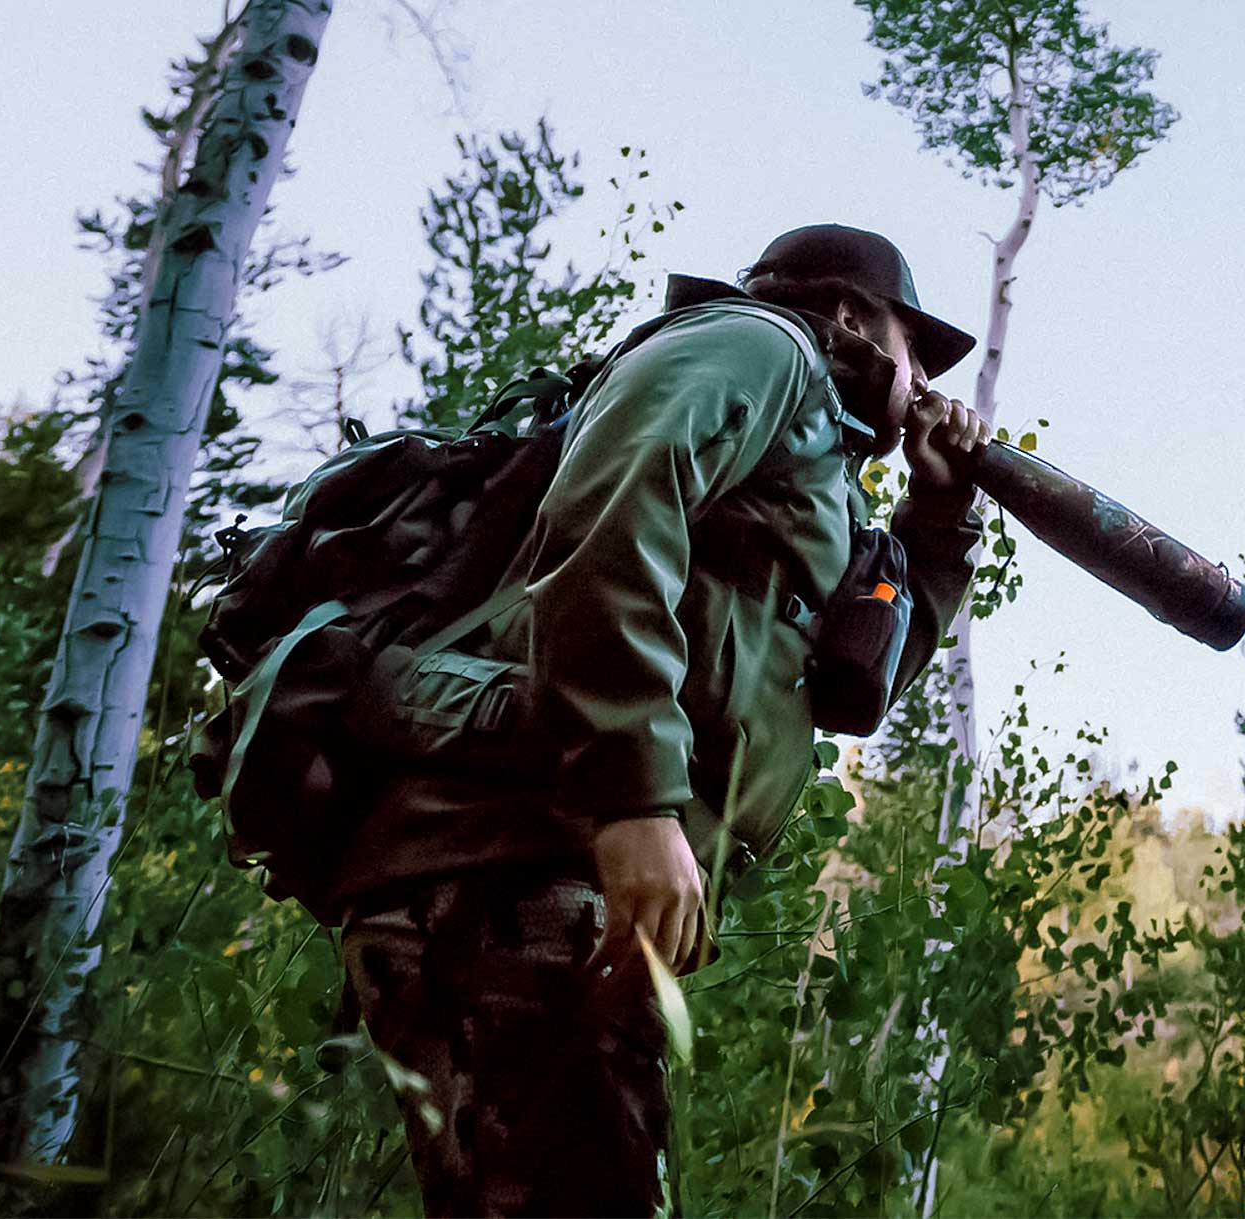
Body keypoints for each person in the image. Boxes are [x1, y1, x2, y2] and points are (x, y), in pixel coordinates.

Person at [330, 224, 987, 1216]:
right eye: (914, 346)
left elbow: (856, 680)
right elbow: (615, 497)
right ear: (853, 317)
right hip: (523, 852)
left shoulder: (815, 478)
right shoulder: (764, 348)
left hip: (563, 866)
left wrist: (934, 524)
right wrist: (635, 800)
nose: (921, 380)